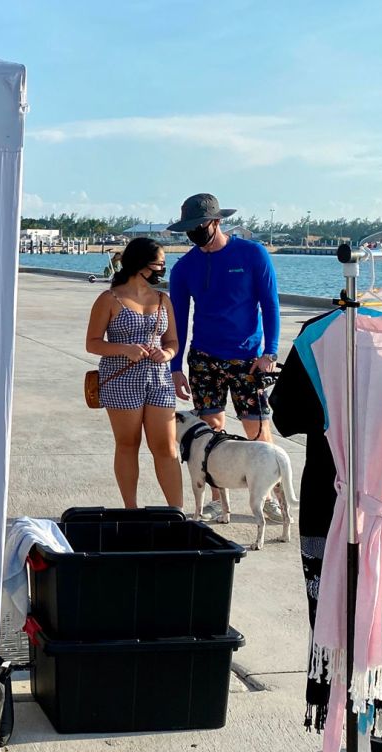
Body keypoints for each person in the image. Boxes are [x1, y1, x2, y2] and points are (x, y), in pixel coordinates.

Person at [165, 192, 282, 520]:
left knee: (257, 429)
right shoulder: (185, 267)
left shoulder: (252, 254)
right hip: (204, 358)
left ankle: (269, 494)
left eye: (199, 225)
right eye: (189, 228)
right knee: (210, 430)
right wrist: (176, 368)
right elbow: (178, 318)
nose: (194, 233)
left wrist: (270, 352)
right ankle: (219, 498)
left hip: (248, 359)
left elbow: (270, 305)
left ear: (216, 222)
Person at [84, 238, 181, 509]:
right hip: (121, 378)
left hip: (159, 379)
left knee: (166, 446)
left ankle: (178, 512)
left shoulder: (163, 299)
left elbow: (172, 341)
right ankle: (131, 509)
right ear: (141, 264)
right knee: (128, 443)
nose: (163, 267)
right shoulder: (109, 299)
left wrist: (169, 354)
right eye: (159, 262)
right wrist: (124, 348)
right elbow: (92, 342)